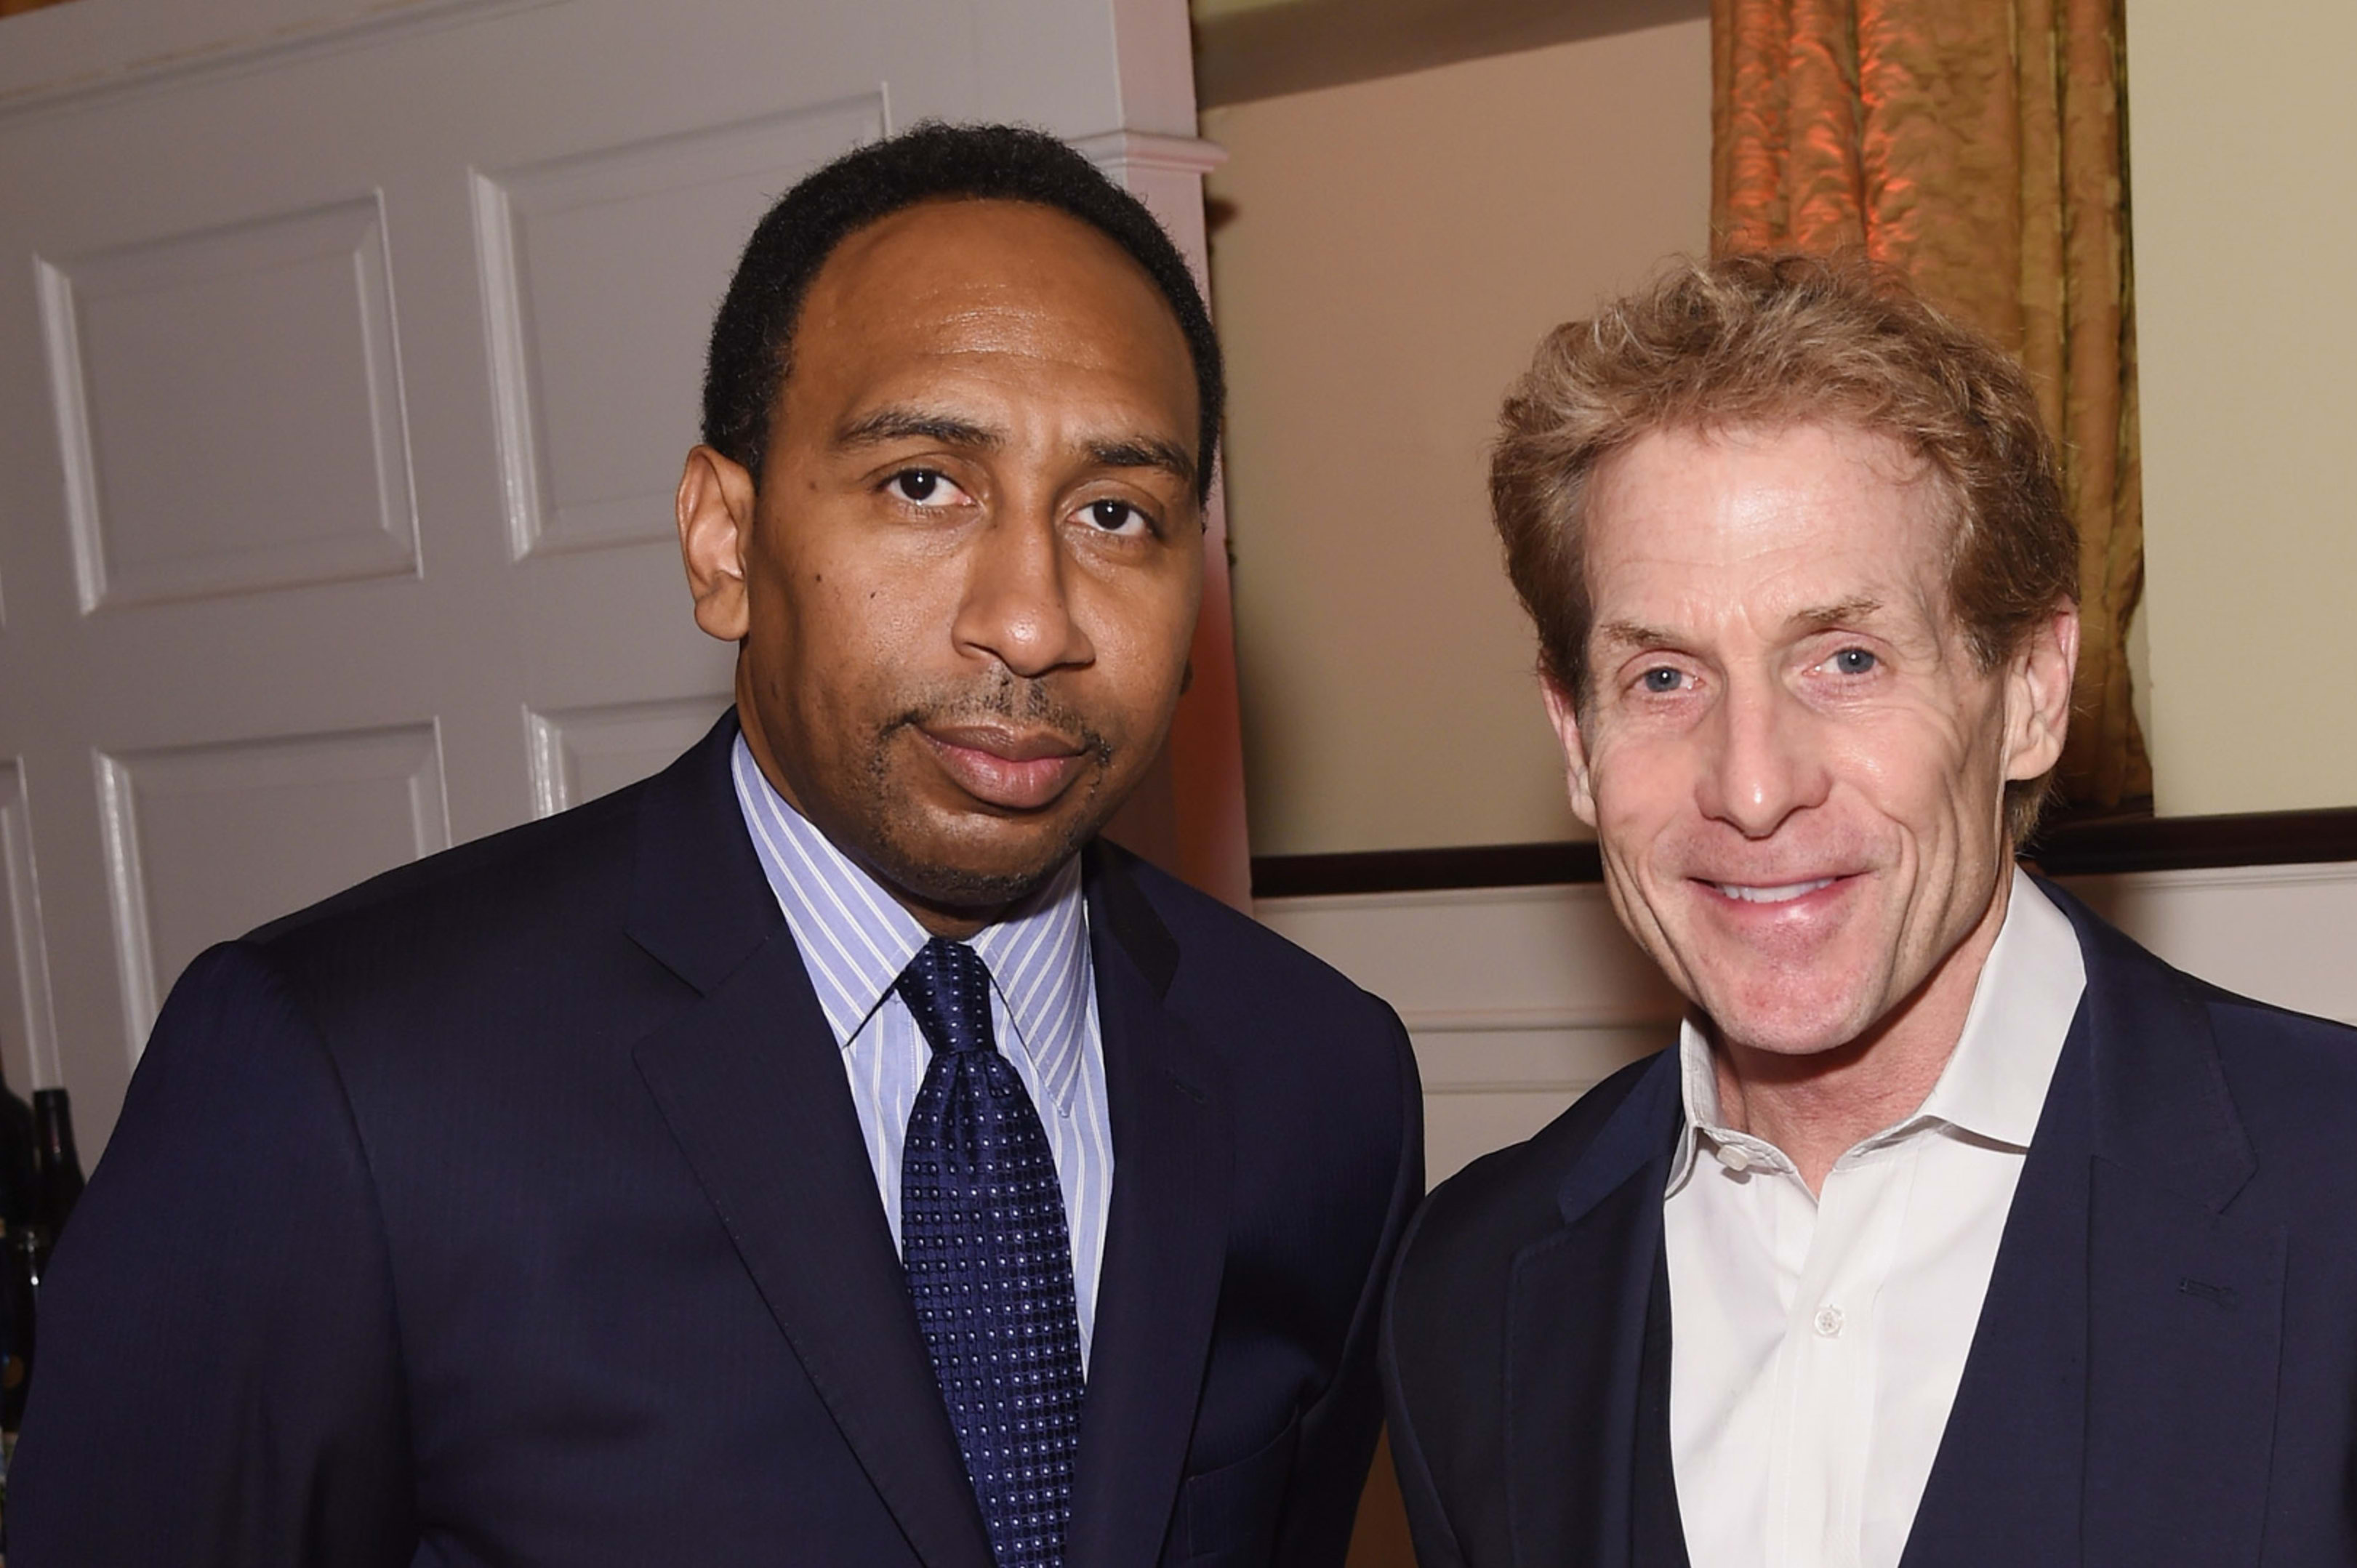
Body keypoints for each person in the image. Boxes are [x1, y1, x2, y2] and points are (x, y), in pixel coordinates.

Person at [15, 122, 1421, 1567]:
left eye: (1117, 512)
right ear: (723, 542)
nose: (1032, 617)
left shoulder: (1321, 1081)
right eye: (924, 482)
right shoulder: (340, 1083)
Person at [1378, 253, 2357, 1567]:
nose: (1751, 785)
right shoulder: (1472, 1288)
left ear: (2031, 689)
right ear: (1573, 738)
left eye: (1846, 657)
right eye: (1664, 678)